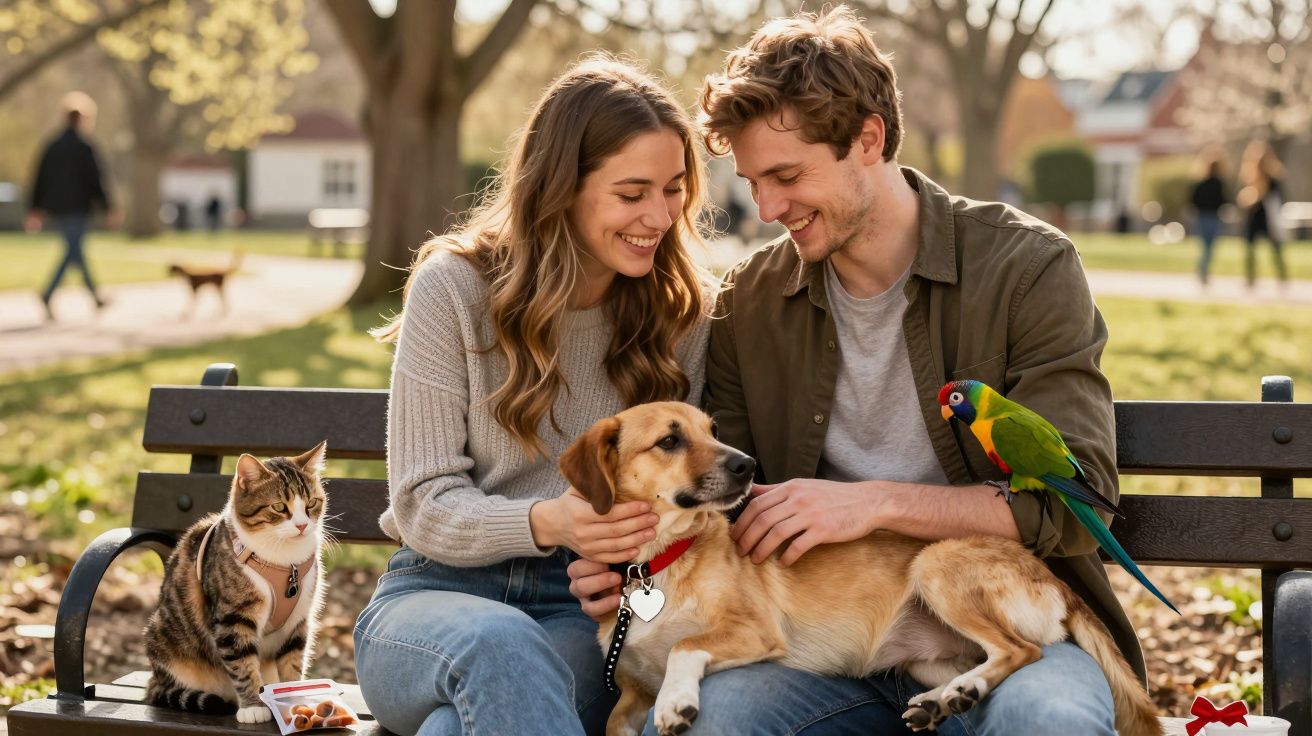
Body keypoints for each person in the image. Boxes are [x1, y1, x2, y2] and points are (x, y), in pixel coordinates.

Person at [570, 7, 1134, 735]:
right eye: (753, 182)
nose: (769, 208)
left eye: (787, 175)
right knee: (710, 724)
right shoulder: (750, 301)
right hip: (813, 642)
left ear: (867, 138)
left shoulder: (1026, 268)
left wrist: (872, 503)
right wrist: (628, 562)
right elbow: (720, 491)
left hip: (990, 626)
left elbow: (1072, 504)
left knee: (1050, 723)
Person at [353, 55, 713, 736]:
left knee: (453, 729)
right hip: (429, 599)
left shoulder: (679, 313)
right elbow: (421, 504)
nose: (660, 216)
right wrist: (551, 522)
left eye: (673, 189)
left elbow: (694, 494)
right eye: (632, 192)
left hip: (581, 610)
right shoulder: (454, 288)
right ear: (561, 189)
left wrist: (633, 571)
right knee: (498, 644)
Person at [26, 91, 117, 319]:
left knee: (74, 250)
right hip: (77, 208)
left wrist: (35, 208)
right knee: (73, 251)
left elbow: (39, 179)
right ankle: (51, 293)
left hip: (57, 208)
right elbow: (96, 180)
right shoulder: (84, 147)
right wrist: (108, 208)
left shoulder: (52, 145)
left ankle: (92, 295)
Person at [1238, 140, 1288, 288]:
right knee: (1250, 249)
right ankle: (1250, 278)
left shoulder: (1273, 177)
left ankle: (1282, 278)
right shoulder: (1248, 176)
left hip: (1268, 217)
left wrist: (1260, 194)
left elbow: (1277, 196)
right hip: (1253, 217)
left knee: (1276, 249)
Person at [1190, 148, 1229, 285]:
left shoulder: (1200, 183)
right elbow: (1223, 200)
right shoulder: (1218, 183)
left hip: (1202, 216)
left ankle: (1202, 270)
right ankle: (1203, 271)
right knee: (1209, 247)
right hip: (1212, 216)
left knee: (1205, 246)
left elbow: (1193, 200)